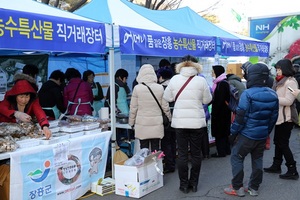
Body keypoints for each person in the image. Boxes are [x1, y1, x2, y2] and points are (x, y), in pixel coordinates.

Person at [224, 63, 279, 197]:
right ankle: (254, 188)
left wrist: (232, 133)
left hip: (246, 135)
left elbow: (240, 117)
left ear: (252, 77)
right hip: (261, 135)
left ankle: (237, 188)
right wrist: (266, 132)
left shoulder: (248, 94)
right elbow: (273, 119)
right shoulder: (273, 94)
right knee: (257, 160)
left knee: (237, 157)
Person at [163, 55, 212, 193]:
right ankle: (194, 184)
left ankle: (183, 185)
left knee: (183, 154)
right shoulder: (201, 81)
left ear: (181, 65)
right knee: (196, 154)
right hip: (197, 123)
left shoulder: (174, 79)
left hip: (180, 123)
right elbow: (207, 100)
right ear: (195, 65)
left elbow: (167, 97)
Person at [0, 79, 52, 200]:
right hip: (6, 137)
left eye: (27, 96)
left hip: (24, 137)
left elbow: (39, 112)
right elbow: (2, 108)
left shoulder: (33, 101)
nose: (24, 100)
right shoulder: (7, 101)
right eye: (21, 97)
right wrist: (16, 113)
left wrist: (45, 126)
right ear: (15, 96)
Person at [264, 58, 299, 180]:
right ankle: (276, 165)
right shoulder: (278, 81)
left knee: (283, 144)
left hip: (286, 118)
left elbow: (289, 101)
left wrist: (273, 98)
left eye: (279, 69)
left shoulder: (290, 82)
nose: (277, 71)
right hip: (278, 117)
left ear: (285, 69)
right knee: (278, 142)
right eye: (276, 69)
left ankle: (292, 169)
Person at [128, 64, 171, 152]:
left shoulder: (137, 89)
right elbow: (165, 107)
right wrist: (169, 118)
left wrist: (131, 122)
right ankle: (154, 164)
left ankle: (145, 165)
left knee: (143, 150)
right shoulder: (160, 88)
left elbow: (133, 108)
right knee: (155, 149)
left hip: (142, 124)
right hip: (156, 123)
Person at [157, 66, 176, 173]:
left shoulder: (161, 88)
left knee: (166, 142)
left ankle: (169, 164)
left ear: (161, 77)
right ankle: (173, 160)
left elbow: (163, 106)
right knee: (173, 140)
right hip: (176, 117)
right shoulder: (175, 87)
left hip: (166, 118)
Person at [210, 65, 231, 157]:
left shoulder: (221, 84)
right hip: (225, 112)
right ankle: (226, 150)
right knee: (224, 132)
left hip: (220, 113)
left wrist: (214, 112)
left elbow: (219, 100)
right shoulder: (223, 82)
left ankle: (221, 152)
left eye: (213, 71)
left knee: (220, 133)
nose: (212, 73)